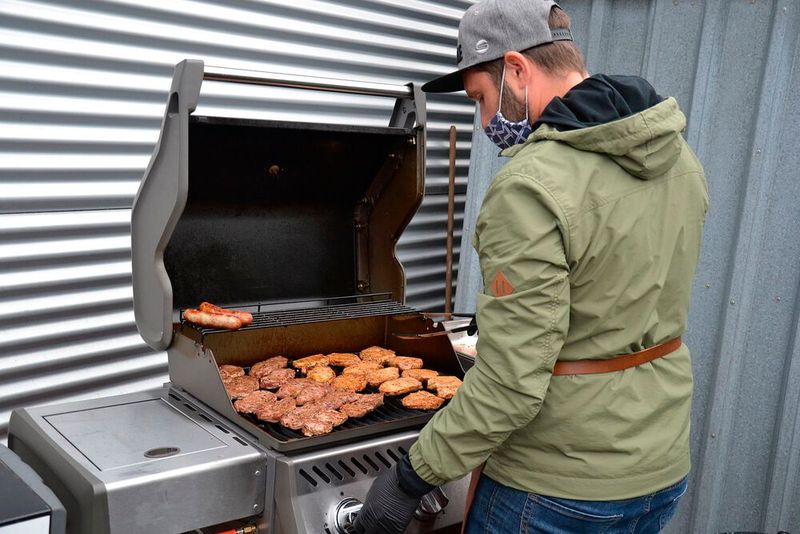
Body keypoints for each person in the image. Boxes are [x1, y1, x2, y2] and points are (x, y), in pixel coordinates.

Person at [353, 0, 709, 532]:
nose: (482, 120)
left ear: (516, 70)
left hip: (556, 487)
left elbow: (511, 384)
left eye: (480, 97)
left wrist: (409, 478)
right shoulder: (677, 157)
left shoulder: (531, 185)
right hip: (658, 468)